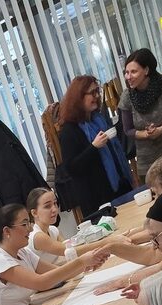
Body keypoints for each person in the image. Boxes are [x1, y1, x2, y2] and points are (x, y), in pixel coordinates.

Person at [0, 204, 108, 305]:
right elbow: (41, 282)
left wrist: (87, 264)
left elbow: (59, 273)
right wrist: (81, 261)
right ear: (7, 231)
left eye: (29, 223)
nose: (30, 229)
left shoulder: (23, 252)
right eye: (24, 224)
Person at [58, 76, 132, 217]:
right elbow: (71, 168)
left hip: (120, 187)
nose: (97, 96)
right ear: (79, 97)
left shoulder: (99, 119)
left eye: (97, 91)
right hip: (97, 199)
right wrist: (93, 147)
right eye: (92, 93)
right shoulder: (69, 130)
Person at [118, 48, 162, 178]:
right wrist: (145, 134)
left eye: (133, 72)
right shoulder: (126, 97)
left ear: (146, 70)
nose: (128, 77)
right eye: (126, 72)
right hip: (147, 162)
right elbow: (127, 130)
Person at [27, 187, 120, 262]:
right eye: (47, 206)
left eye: (55, 203)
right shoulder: (37, 236)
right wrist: (107, 242)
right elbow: (70, 251)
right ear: (34, 213)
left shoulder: (53, 230)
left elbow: (71, 249)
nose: (54, 209)